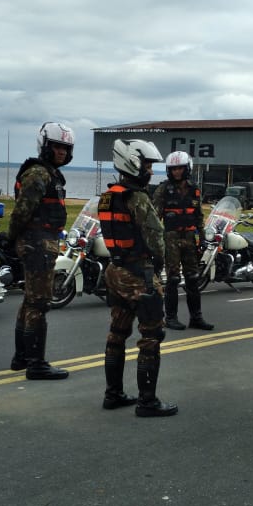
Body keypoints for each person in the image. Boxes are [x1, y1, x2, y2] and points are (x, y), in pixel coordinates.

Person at [98, 139, 178, 417]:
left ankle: (113, 394)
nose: (150, 171)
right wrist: (158, 265)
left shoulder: (108, 196)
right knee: (152, 336)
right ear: (132, 162)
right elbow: (156, 238)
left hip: (115, 270)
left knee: (117, 333)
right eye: (147, 165)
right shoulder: (138, 198)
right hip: (138, 273)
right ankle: (147, 402)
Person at [1, 122, 74, 380]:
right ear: (45, 146)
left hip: (41, 242)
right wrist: (10, 237)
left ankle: (22, 357)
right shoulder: (39, 173)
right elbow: (22, 211)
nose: (61, 152)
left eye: (65, 148)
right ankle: (36, 363)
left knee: (30, 300)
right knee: (39, 302)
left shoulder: (48, 173)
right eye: (57, 147)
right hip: (37, 243)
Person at [152, 151, 214, 331]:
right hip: (171, 238)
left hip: (189, 239)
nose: (177, 172)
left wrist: (202, 238)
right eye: (173, 169)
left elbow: (199, 216)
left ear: (187, 168)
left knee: (193, 278)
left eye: (180, 168)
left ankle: (196, 317)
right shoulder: (163, 190)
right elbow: (155, 219)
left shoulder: (194, 189)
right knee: (172, 278)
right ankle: (171, 317)